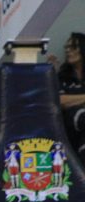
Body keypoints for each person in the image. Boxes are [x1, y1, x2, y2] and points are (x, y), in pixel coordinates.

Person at [50, 32, 85, 163]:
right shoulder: (62, 76)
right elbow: (60, 101)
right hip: (69, 127)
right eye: (67, 48)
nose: (68, 51)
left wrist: (75, 99)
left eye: (73, 47)